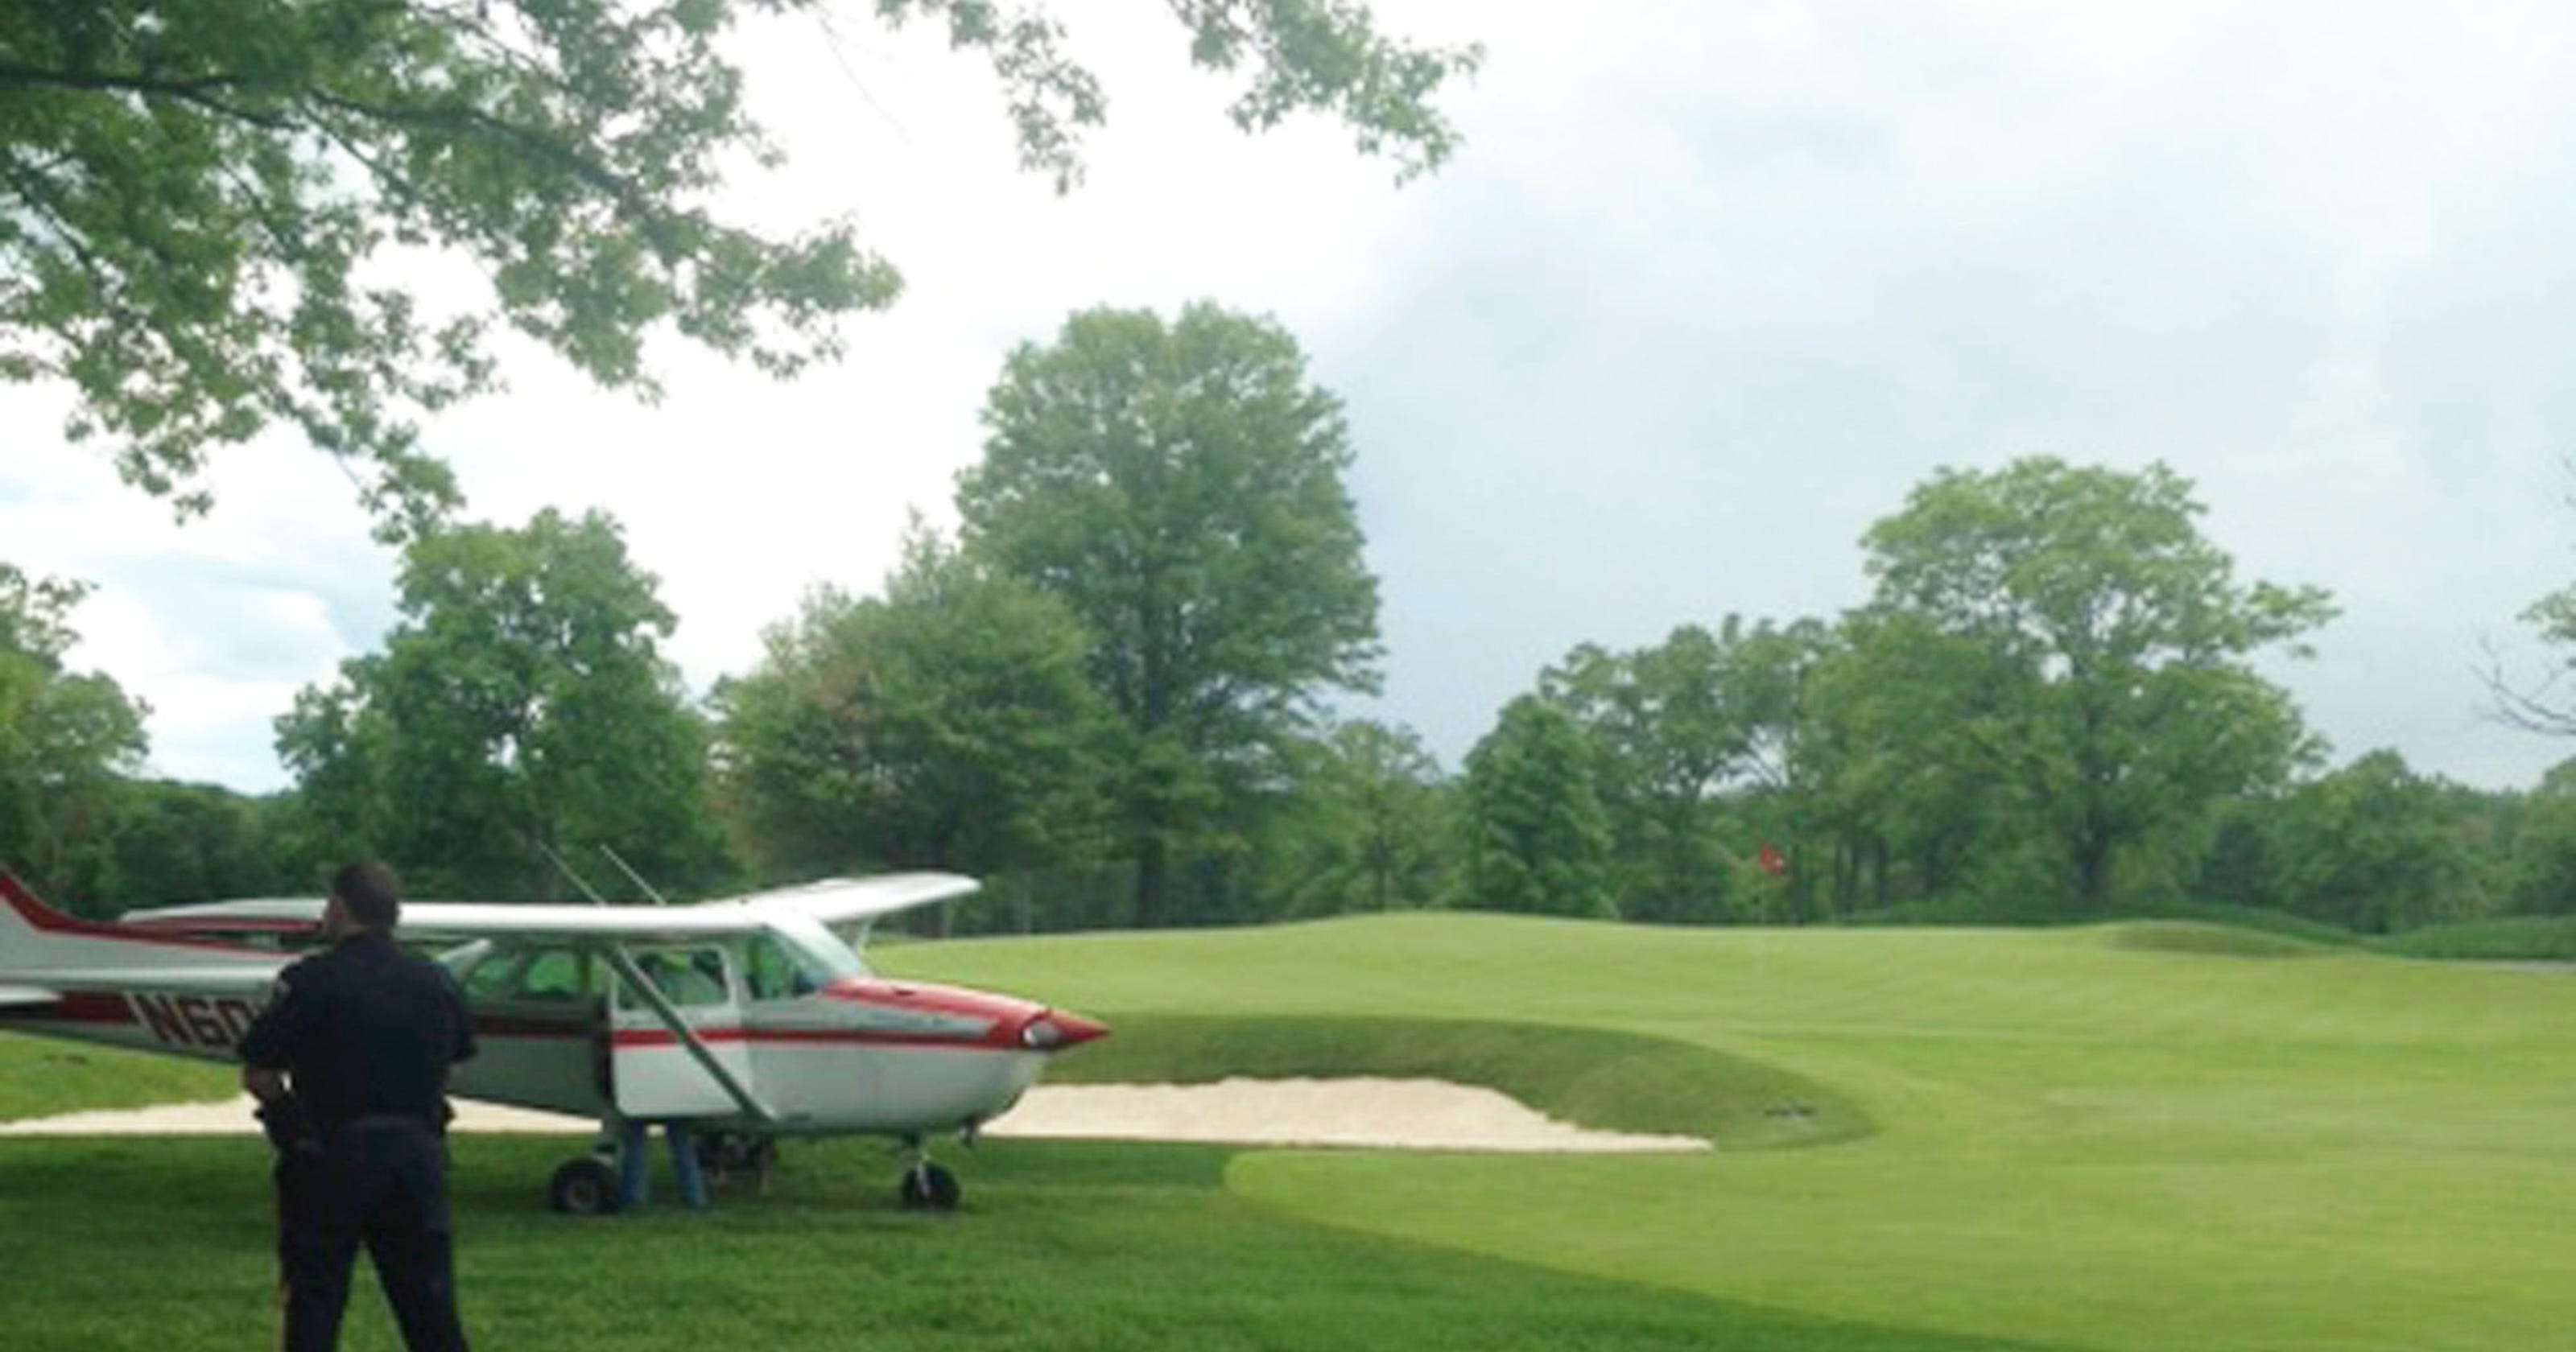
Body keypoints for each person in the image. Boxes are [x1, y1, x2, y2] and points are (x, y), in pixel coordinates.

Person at [238, 862, 477, 1352]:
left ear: (341, 909)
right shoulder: (434, 980)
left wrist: (290, 1122)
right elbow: (456, 1059)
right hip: (416, 1157)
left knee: (316, 1301)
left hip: (331, 1155)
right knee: (429, 1304)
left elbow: (259, 1072)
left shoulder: (312, 981)